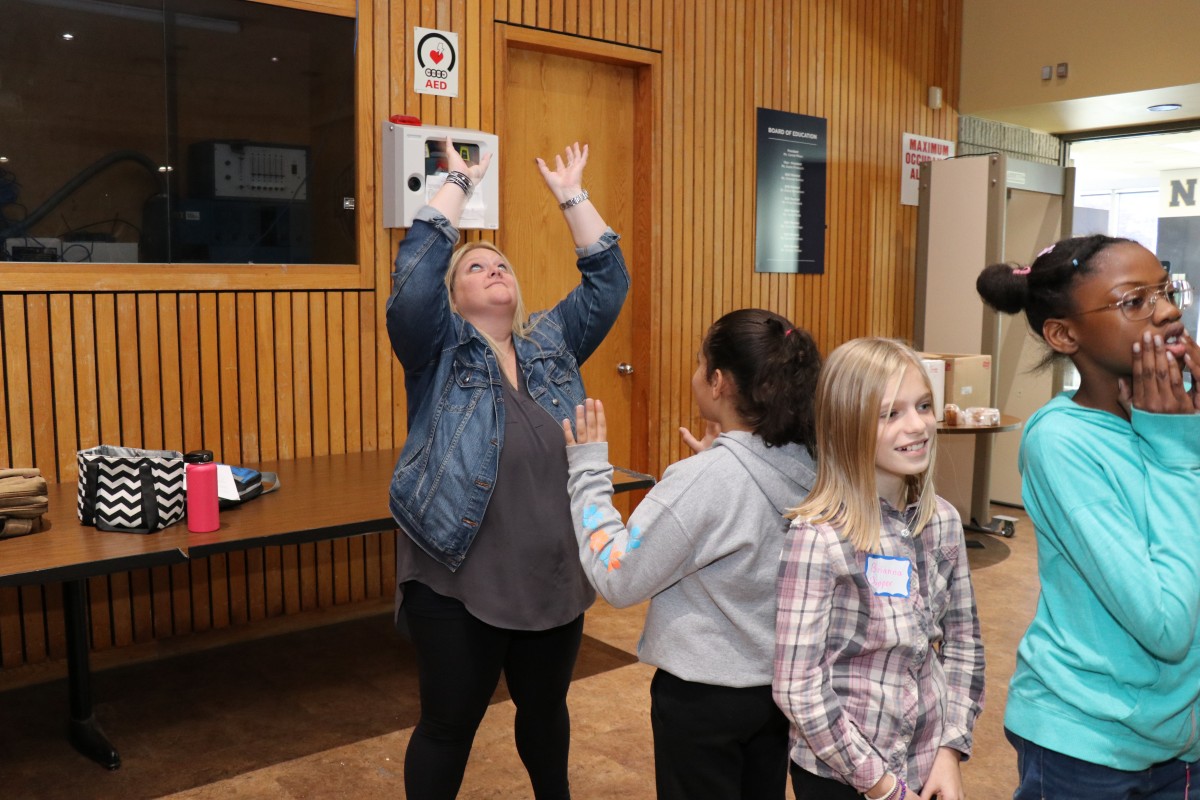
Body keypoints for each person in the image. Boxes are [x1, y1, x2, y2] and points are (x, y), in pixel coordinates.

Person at [384, 138, 629, 799]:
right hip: (457, 573)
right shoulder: (436, 350)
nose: (494, 271)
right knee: (448, 724)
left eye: (502, 265)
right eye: (476, 268)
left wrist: (572, 195)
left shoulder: (551, 342)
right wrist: (456, 185)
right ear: (454, 297)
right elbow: (410, 284)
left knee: (546, 711)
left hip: (550, 572)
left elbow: (609, 282)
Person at [561, 308, 822, 800]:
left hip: (704, 702)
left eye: (700, 362)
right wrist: (720, 470)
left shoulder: (705, 482)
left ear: (719, 381)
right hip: (777, 695)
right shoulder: (809, 462)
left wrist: (589, 472)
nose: (696, 372)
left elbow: (618, 577)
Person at [976, 234, 1200, 798]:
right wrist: (1177, 454)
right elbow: (1166, 625)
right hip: (1087, 739)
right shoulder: (1061, 442)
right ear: (1063, 334)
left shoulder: (1179, 415)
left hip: (1181, 736)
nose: (1169, 310)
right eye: (1135, 301)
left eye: (1165, 290)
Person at [773, 337, 985, 800]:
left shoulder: (943, 521)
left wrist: (950, 750)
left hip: (925, 761)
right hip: (843, 773)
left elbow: (964, 643)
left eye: (924, 405)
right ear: (849, 425)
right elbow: (797, 687)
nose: (918, 425)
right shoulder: (819, 538)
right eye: (891, 414)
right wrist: (882, 786)